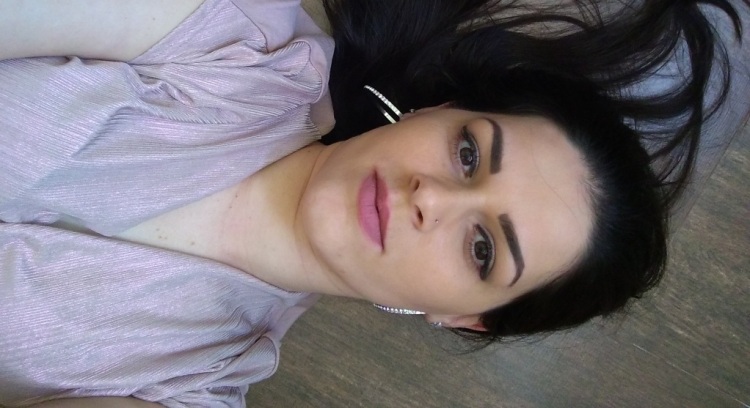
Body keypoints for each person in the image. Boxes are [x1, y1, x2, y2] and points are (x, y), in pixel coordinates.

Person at [0, 0, 745, 407]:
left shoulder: (188, 384)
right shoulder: (235, 41)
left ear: (465, 317)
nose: (432, 198)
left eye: (482, 247)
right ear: (439, 110)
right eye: (468, 153)